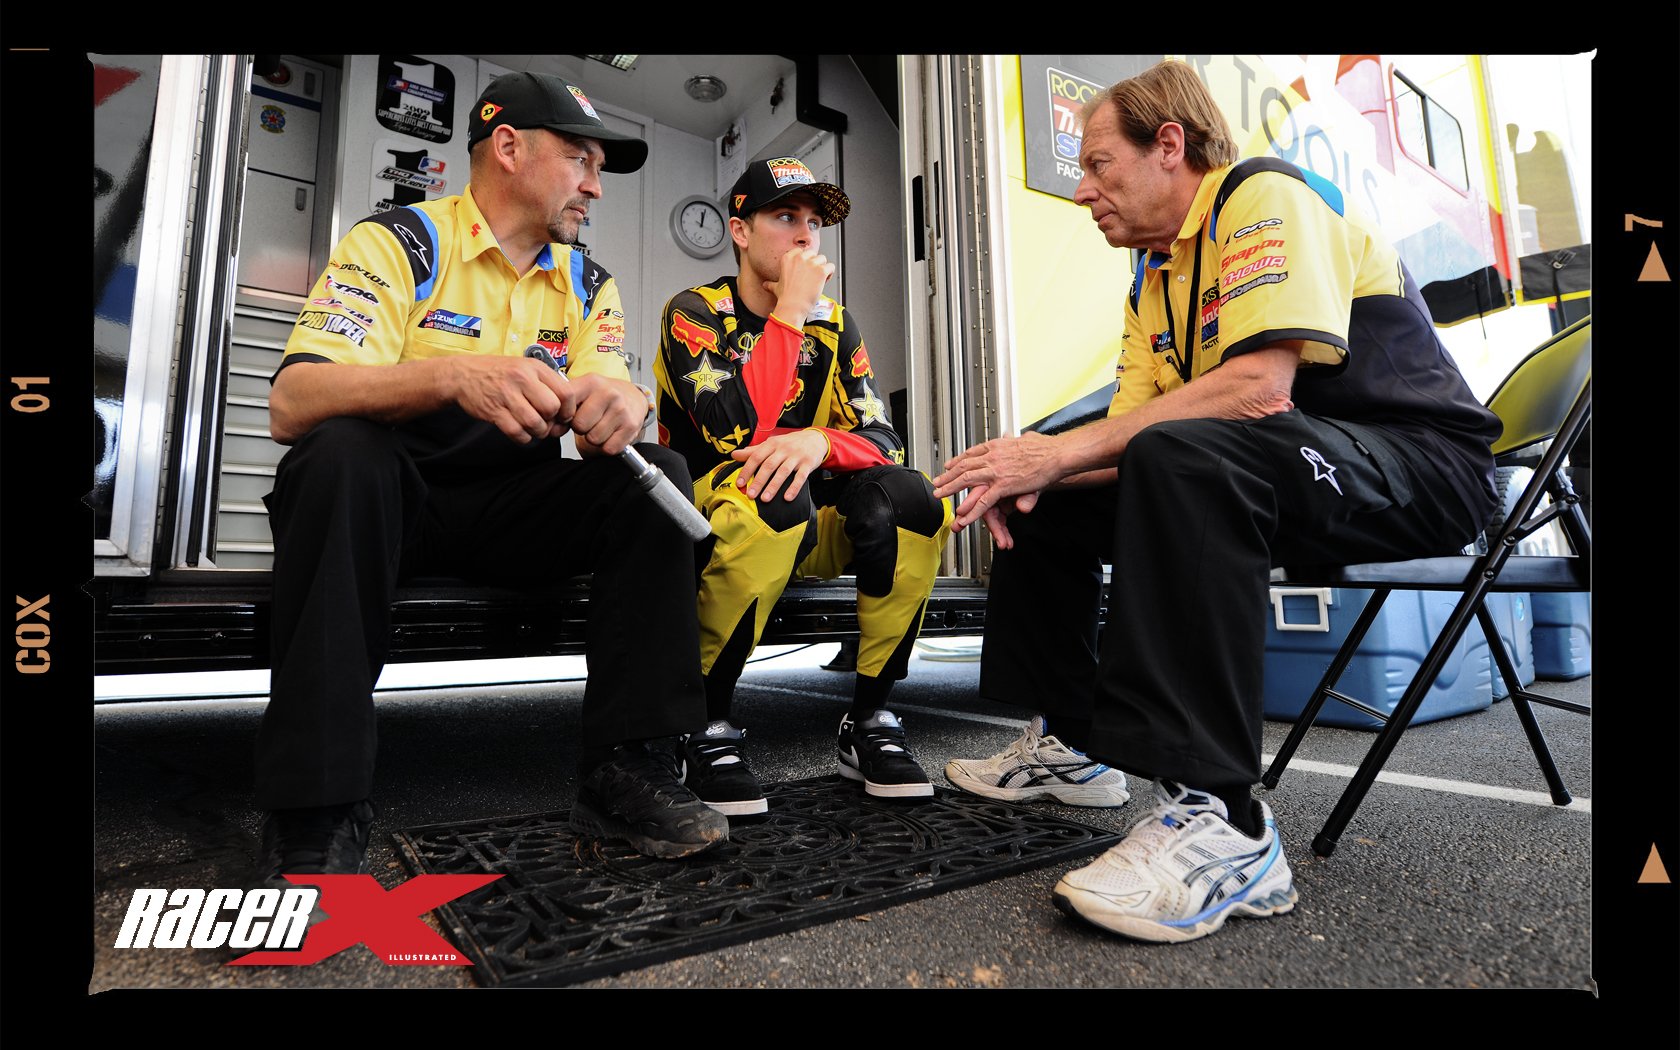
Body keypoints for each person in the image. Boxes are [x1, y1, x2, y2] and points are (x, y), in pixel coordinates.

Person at [934, 61, 1501, 943]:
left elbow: (1257, 390)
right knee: (1059, 494)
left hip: (1421, 465)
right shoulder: (1151, 278)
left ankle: (1228, 823)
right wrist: (1031, 474)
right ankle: (1076, 747)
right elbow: (1124, 443)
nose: (1083, 192)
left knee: (1175, 454)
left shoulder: (1261, 194)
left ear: (1170, 146)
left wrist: (1048, 453)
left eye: (1097, 165)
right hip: (1291, 461)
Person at [254, 71, 729, 885]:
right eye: (580, 158)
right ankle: (315, 805)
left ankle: (627, 767)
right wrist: (449, 377)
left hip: (512, 509)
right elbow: (293, 402)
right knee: (337, 456)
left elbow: (605, 397)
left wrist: (623, 404)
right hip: (391, 504)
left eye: (601, 168)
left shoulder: (587, 282)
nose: (594, 185)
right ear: (507, 147)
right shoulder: (396, 242)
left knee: (658, 474)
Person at [653, 157, 951, 814]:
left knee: (914, 499)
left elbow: (882, 439)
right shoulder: (695, 313)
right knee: (768, 488)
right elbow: (735, 432)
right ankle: (703, 724)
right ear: (739, 229)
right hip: (710, 519)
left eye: (814, 223)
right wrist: (789, 311)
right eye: (785, 217)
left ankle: (870, 719)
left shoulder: (836, 324)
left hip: (800, 521)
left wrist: (819, 440)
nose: (804, 238)